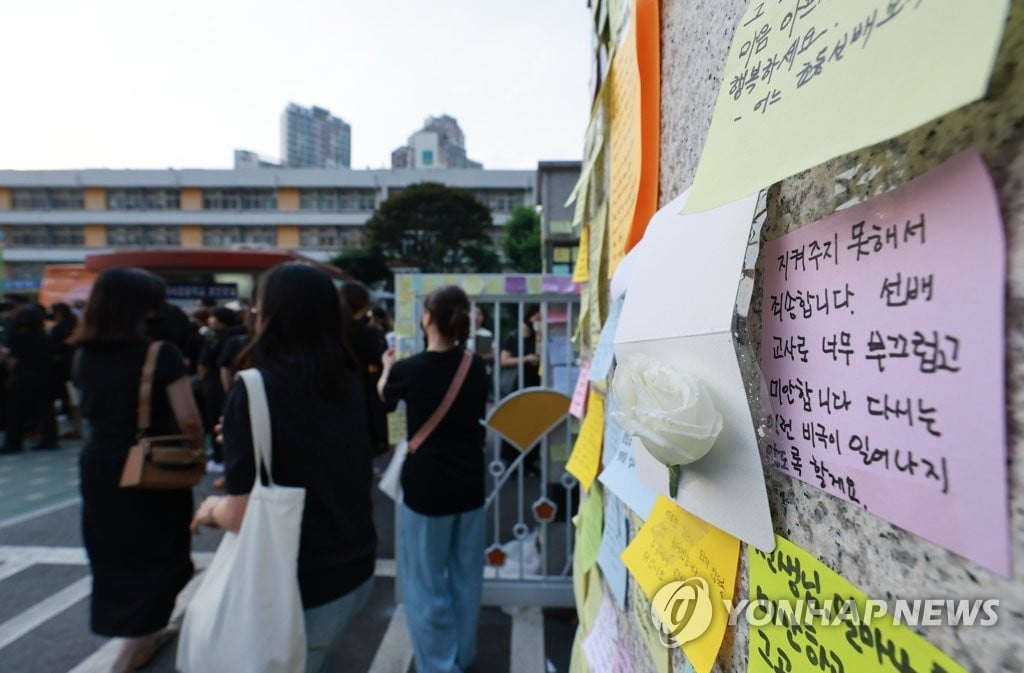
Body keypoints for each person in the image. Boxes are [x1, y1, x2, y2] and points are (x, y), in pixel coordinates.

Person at [190, 263, 377, 673]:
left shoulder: (254, 387)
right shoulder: (347, 376)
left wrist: (208, 511)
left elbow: (239, 514)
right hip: (355, 565)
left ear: (266, 315)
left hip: (297, 580)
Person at [73, 268, 204, 673]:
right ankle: (130, 653)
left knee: (114, 553)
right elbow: (189, 420)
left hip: (98, 464)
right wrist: (197, 449)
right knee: (163, 554)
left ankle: (141, 633)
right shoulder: (159, 353)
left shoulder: (82, 353)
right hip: (149, 467)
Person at [378, 285, 489, 673]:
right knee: (465, 578)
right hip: (471, 483)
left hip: (427, 488)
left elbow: (385, 397)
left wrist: (388, 367)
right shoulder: (475, 366)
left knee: (425, 583)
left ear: (427, 318)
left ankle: (440, 665)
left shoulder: (408, 370)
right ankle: (462, 653)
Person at [340, 281, 389, 456]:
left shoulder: (327, 333)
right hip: (363, 400)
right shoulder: (371, 336)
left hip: (330, 400)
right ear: (363, 306)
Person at [3, 305, 60, 453]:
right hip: (45, 375)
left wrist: (10, 376)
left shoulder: (18, 337)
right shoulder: (45, 336)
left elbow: (13, 360)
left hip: (24, 376)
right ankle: (50, 439)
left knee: (15, 410)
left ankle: (13, 443)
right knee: (46, 409)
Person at [49, 302, 82, 439]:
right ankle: (77, 428)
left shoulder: (59, 328)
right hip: (74, 365)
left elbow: (55, 347)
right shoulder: (74, 326)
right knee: (74, 399)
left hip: (64, 368)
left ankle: (76, 429)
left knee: (71, 399)